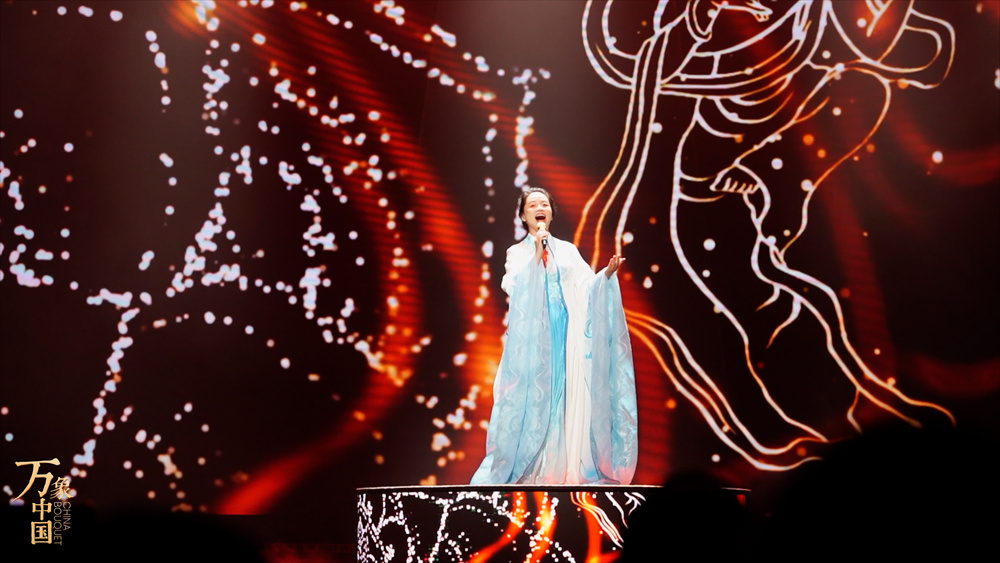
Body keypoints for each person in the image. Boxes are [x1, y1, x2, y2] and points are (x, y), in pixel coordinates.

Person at [471, 188, 638, 485]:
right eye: (532, 205)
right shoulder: (517, 253)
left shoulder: (569, 251)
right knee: (535, 400)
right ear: (524, 216)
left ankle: (567, 467)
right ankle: (533, 468)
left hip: (569, 338)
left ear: (550, 213)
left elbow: (587, 288)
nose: (539, 208)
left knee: (569, 397)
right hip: (535, 344)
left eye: (544, 204)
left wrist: (605, 277)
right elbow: (513, 286)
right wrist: (537, 250)